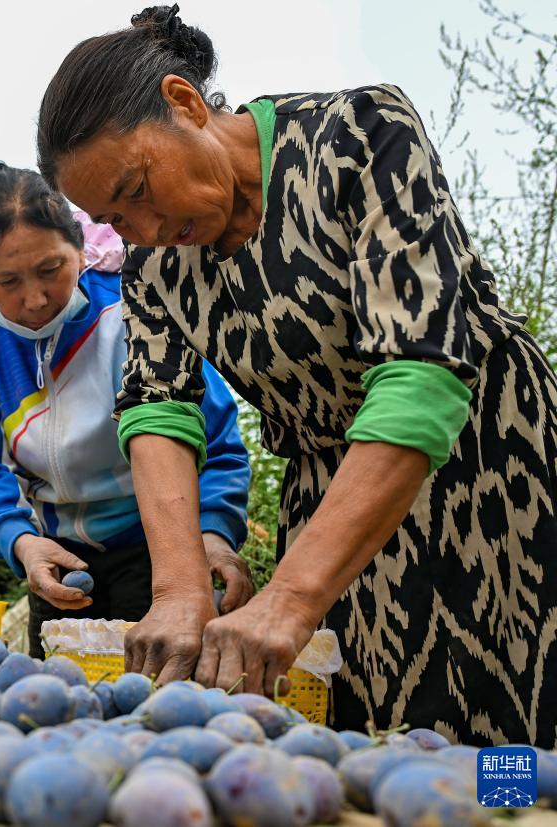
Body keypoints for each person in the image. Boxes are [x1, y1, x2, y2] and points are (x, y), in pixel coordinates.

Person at [35, 5, 557, 747]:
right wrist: (180, 588)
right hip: (333, 502)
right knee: (379, 743)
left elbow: (421, 373)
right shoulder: (153, 269)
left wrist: (292, 594)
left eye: (140, 190)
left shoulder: (361, 135)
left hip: (487, 476)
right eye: (116, 220)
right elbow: (156, 411)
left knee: (512, 739)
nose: (144, 231)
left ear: (185, 103)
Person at [0, 162, 253, 659]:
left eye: (51, 269)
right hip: (59, 560)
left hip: (162, 553)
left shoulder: (134, 312)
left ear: (81, 248)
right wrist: (23, 544)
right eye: (8, 281)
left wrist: (212, 535)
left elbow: (217, 446)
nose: (35, 298)